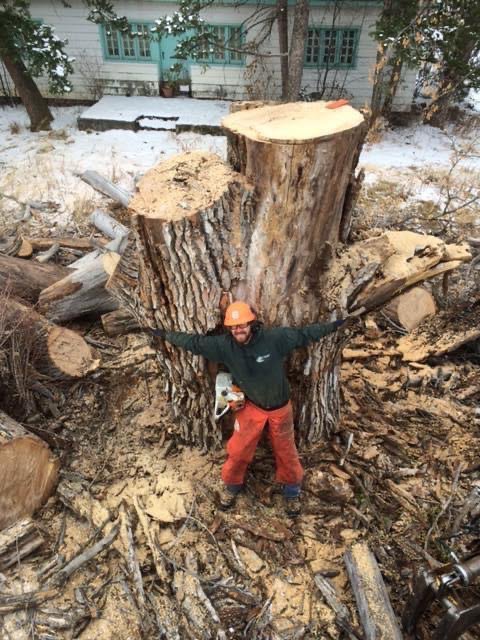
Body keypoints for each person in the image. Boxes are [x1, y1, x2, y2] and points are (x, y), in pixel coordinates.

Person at [151, 301, 352, 517]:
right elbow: (194, 343)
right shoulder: (224, 346)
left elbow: (306, 334)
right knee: (238, 450)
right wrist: (162, 333)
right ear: (228, 328)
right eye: (234, 326)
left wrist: (337, 324)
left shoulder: (274, 339)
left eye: (242, 325)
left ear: (251, 323)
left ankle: (292, 492)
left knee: (287, 452)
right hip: (251, 407)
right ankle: (232, 486)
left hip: (280, 409)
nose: (238, 330)